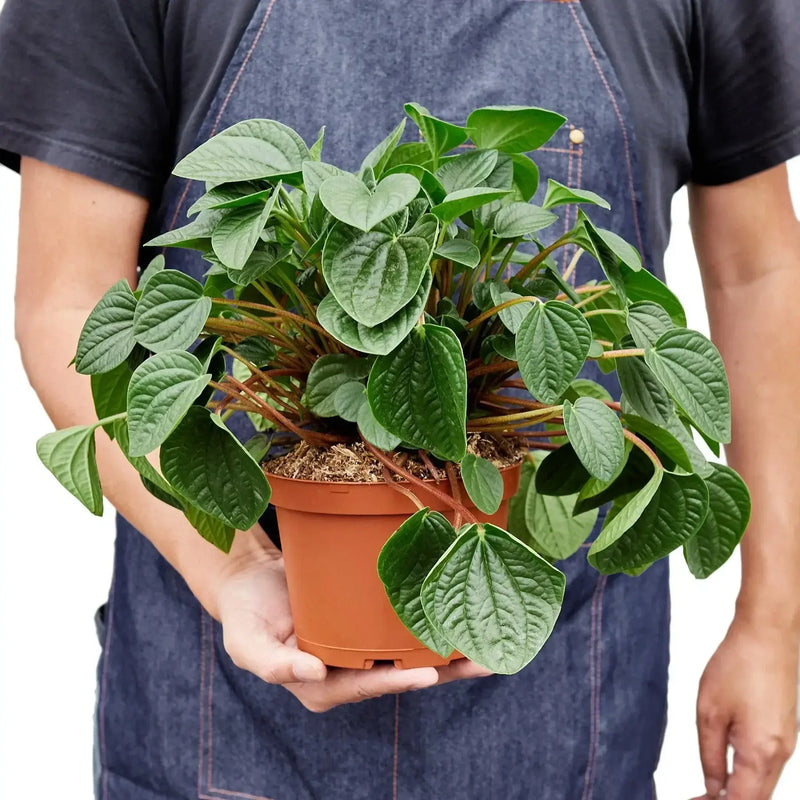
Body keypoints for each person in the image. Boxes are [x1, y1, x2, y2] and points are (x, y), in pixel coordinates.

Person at [1, 0, 799, 797]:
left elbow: (757, 273)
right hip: (222, 701)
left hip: (564, 706)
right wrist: (234, 563)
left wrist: (773, 624)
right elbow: (67, 301)